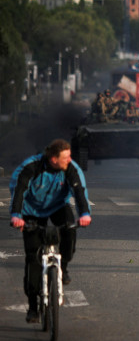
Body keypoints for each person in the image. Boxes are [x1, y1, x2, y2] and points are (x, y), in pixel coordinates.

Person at [9, 139, 92, 324]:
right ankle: (33, 307)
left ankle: (63, 267)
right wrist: (16, 215)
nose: (70, 160)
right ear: (54, 159)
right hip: (30, 210)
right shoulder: (31, 167)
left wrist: (85, 214)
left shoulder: (70, 168)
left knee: (70, 231)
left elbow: (79, 191)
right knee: (33, 258)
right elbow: (19, 190)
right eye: (66, 157)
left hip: (58, 206)